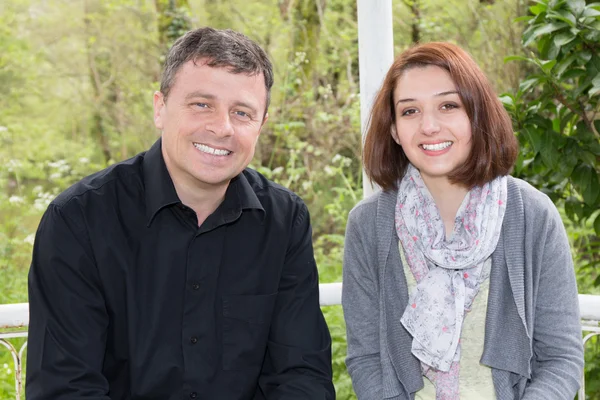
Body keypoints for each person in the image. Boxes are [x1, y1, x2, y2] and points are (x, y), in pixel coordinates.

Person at [26, 27, 334, 400]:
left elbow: (300, 376)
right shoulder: (78, 220)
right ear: (160, 108)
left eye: (242, 112)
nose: (222, 128)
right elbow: (66, 387)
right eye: (202, 104)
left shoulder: (284, 221)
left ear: (261, 125)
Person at [342, 42, 583, 399]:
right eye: (409, 111)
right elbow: (366, 360)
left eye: (448, 105)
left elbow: (561, 360)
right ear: (394, 130)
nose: (429, 125)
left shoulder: (532, 214)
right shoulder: (368, 224)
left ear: (477, 115)